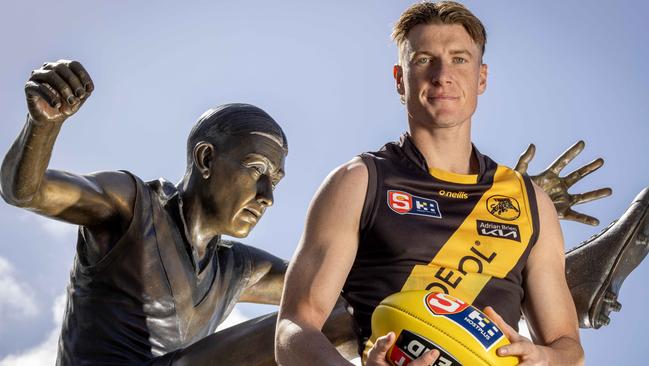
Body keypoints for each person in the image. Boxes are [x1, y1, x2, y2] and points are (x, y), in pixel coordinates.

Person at [275, 2, 589, 365]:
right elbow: (294, 328)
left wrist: (545, 359)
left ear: (481, 77)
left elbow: (568, 346)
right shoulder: (359, 183)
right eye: (424, 59)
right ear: (399, 78)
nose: (443, 75)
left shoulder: (530, 202)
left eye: (459, 59)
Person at [0, 60, 289, 365]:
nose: (266, 196)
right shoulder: (132, 206)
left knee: (337, 311)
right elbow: (27, 192)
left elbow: (328, 284)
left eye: (274, 182)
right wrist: (42, 126)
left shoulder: (234, 269)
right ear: (206, 159)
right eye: (256, 169)